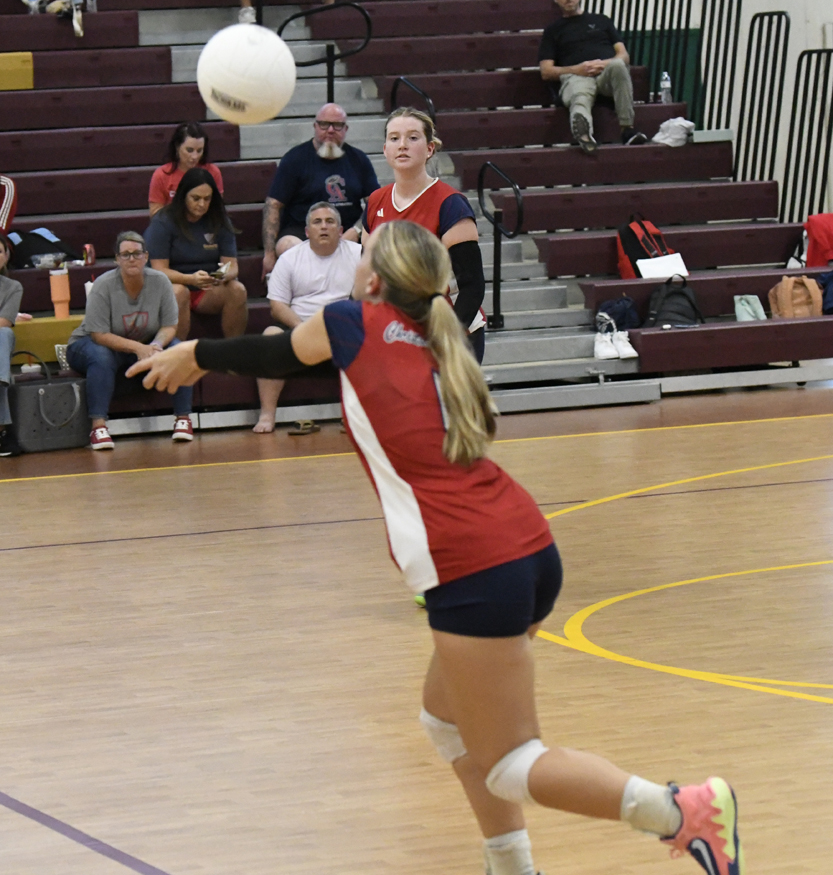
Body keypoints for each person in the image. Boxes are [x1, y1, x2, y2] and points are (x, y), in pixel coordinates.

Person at [128, 220, 744, 875]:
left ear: (373, 281)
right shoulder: (434, 331)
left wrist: (196, 352)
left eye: (364, 254)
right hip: (524, 543)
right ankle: (511, 866)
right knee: (446, 724)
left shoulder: (353, 322)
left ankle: (681, 810)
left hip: (472, 562)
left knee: (511, 762)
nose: (355, 261)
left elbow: (276, 355)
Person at [364, 107, 487, 363]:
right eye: (394, 138)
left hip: (448, 326)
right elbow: (367, 275)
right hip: (395, 329)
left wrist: (446, 337)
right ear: (385, 149)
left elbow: (472, 286)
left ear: (430, 149)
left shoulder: (451, 204)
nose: (402, 145)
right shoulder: (376, 201)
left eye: (413, 137)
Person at [66, 231, 194, 450]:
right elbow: (99, 334)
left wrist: (156, 346)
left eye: (137, 253)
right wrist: (139, 348)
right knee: (102, 356)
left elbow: (169, 326)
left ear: (146, 256)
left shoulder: (161, 281)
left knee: (178, 350)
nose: (132, 259)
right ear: (117, 259)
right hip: (90, 343)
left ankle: (183, 419)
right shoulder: (104, 285)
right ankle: (98, 427)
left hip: (143, 343)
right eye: (125, 255)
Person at [253, 201, 360, 434]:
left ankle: (355, 417)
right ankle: (267, 414)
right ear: (307, 231)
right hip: (298, 327)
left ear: (340, 230)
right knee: (270, 337)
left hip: (342, 328)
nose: (324, 227)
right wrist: (303, 329)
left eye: (330, 222)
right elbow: (277, 306)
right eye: (317, 222)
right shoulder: (289, 258)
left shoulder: (359, 255)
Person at [261, 103, 379, 278]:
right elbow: (273, 205)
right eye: (324, 124)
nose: (330, 130)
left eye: (337, 125)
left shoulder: (359, 160)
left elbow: (377, 204)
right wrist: (269, 254)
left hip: (347, 232)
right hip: (302, 233)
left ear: (345, 129)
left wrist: (356, 230)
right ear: (315, 126)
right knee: (288, 246)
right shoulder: (294, 159)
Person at [145, 167, 248, 341]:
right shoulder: (163, 221)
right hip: (172, 285)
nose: (202, 204)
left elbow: (232, 266)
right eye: (196, 198)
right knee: (179, 292)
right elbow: (159, 270)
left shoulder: (219, 219)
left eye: (207, 199)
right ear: (183, 196)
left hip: (205, 286)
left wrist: (221, 276)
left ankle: (234, 350)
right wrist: (190, 279)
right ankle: (177, 352)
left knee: (238, 290)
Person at [538, 0, 648, 154]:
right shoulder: (552, 30)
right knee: (579, 92)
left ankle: (627, 129)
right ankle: (584, 135)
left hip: (606, 74)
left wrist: (603, 64)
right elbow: (546, 71)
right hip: (576, 76)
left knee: (618, 65)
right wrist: (577, 69)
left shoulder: (602, 20)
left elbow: (624, 56)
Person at [148, 122, 225, 219]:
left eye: (199, 150)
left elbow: (218, 209)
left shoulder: (213, 172)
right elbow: (155, 214)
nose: (195, 156)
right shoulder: (161, 175)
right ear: (177, 147)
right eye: (189, 150)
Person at [0, 231, 24, 457]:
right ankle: (3, 432)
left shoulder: (13, 287)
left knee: (3, 334)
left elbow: (5, 321)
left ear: (6, 256)